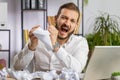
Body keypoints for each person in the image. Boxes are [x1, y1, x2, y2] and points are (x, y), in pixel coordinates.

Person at [13, 2, 89, 74]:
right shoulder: (38, 38)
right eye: (64, 17)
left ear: (76, 26)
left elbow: (78, 69)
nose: (67, 23)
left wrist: (56, 46)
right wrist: (31, 47)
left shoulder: (80, 42)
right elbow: (17, 67)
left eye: (72, 21)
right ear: (56, 19)